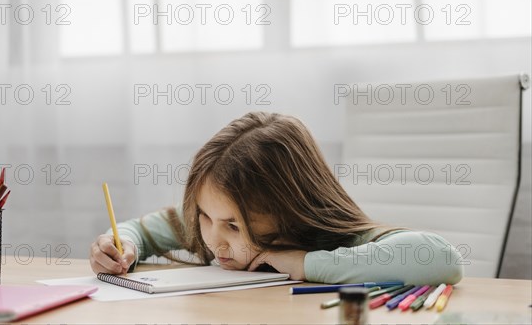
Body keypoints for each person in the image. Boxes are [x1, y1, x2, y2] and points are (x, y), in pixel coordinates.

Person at [90, 112, 463, 285]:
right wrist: (120, 246)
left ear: (289, 213)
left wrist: (303, 263)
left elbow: (441, 258)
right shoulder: (210, 227)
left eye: (234, 225)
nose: (214, 239)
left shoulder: (332, 241)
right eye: (205, 215)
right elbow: (141, 231)